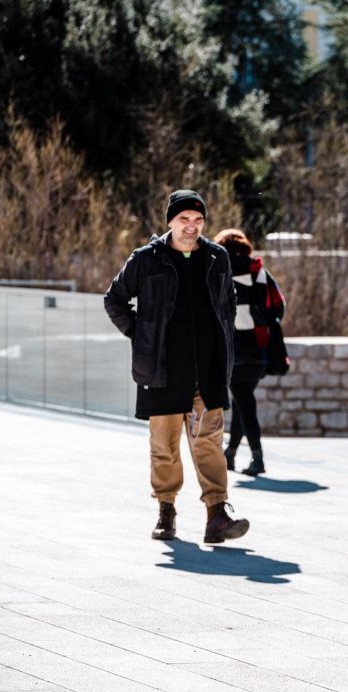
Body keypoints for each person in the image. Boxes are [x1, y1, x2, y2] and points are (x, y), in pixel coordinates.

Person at [104, 190, 250, 544]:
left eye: (198, 220)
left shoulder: (217, 258)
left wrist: (223, 337)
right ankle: (166, 512)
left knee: (210, 445)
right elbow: (115, 299)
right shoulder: (147, 259)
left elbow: (229, 302)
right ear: (170, 221)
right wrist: (142, 336)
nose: (191, 226)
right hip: (162, 373)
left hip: (208, 373)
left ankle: (216, 514)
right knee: (164, 448)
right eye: (184, 219)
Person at [214, 229, 286, 477]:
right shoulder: (261, 273)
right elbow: (279, 306)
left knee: (244, 400)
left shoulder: (220, 272)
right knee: (242, 399)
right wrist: (261, 322)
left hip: (232, 346)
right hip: (260, 345)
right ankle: (230, 454)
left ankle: (258, 458)